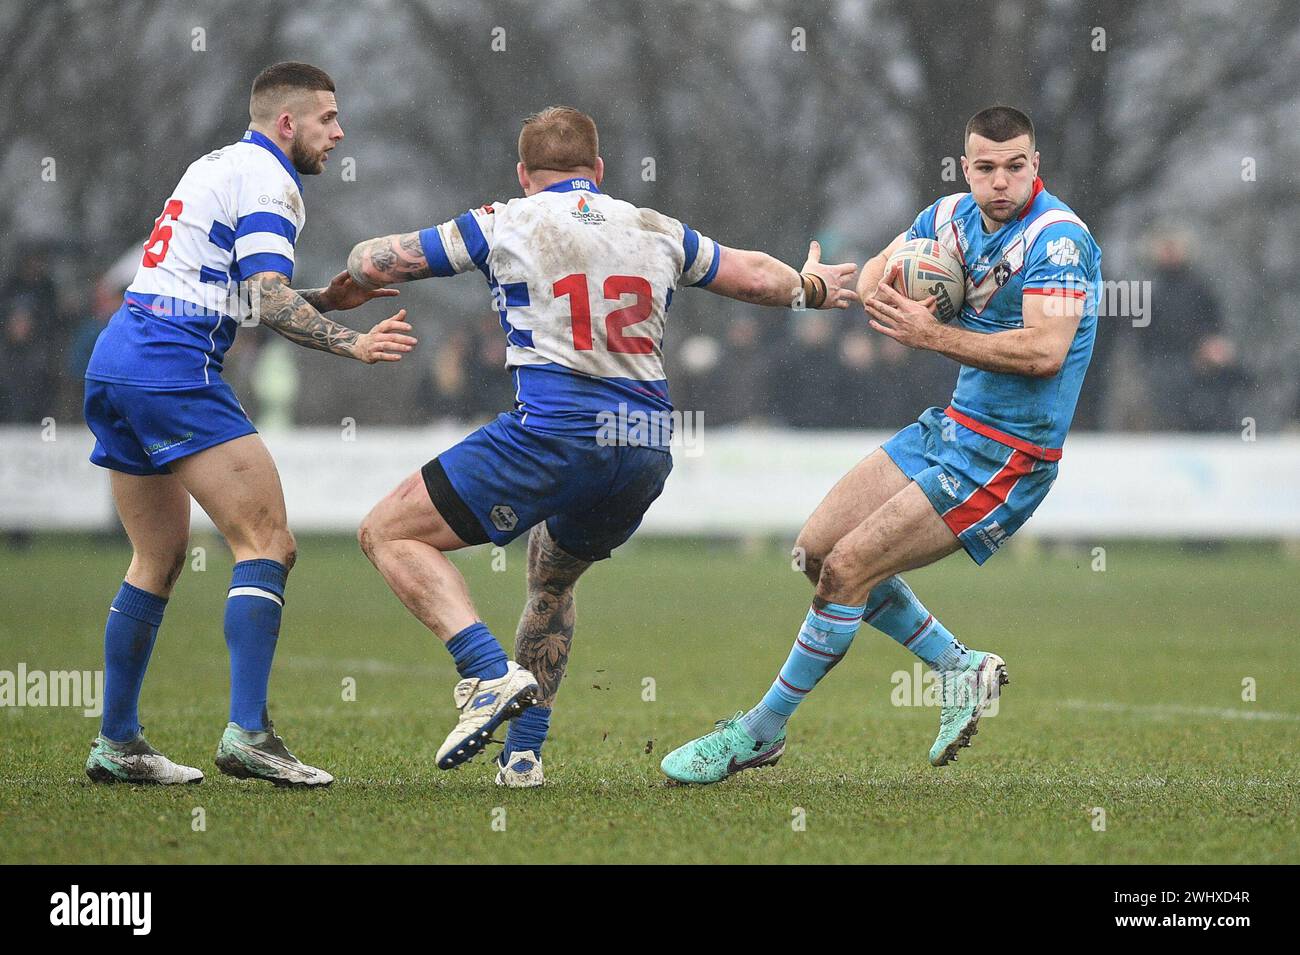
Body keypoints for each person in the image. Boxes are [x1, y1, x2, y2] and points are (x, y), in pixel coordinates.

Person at [347, 106, 857, 787]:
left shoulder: (505, 219)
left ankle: (484, 670)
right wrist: (812, 287)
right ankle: (523, 757)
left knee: (388, 532)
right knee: (550, 576)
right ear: (601, 171)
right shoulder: (654, 225)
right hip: (645, 444)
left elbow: (381, 257)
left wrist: (353, 271)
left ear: (523, 174)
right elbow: (755, 277)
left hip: (557, 432)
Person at [661, 105, 1102, 783]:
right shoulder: (950, 217)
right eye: (986, 167)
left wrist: (934, 334)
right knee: (815, 551)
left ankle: (759, 730)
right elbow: (873, 278)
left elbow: (1046, 352)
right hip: (951, 427)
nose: (1001, 182)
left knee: (848, 570)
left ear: (1034, 165)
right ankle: (960, 668)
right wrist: (892, 283)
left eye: (1016, 166)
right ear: (966, 168)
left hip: (1009, 455)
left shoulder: (1058, 239)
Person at [81, 62, 415, 787]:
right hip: (171, 365)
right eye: (328, 117)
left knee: (157, 556)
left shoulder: (218, 162)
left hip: (120, 359)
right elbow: (265, 297)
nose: (340, 131)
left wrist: (324, 297)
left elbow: (231, 285)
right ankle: (250, 734)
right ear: (287, 123)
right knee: (268, 542)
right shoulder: (272, 180)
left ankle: (118, 740)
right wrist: (352, 343)